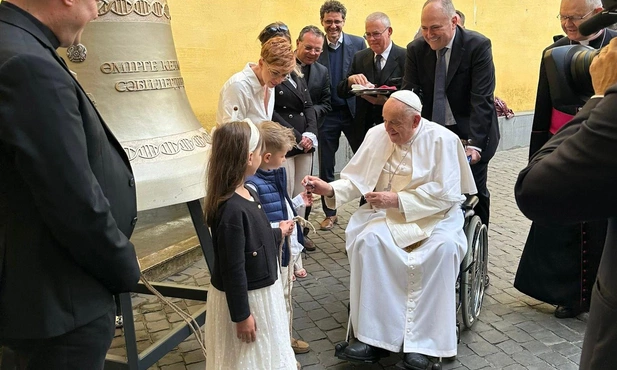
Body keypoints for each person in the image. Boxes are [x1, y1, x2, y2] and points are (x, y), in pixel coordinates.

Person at [0, 0, 141, 368]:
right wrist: (123, 265)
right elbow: (71, 198)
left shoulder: (17, 43)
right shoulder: (26, 64)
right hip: (61, 303)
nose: (96, 13)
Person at [303, 90, 476, 369]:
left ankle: (425, 345)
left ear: (416, 120)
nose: (388, 128)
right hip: (388, 215)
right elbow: (357, 180)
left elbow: (447, 194)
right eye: (385, 120)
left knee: (444, 250)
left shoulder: (443, 140)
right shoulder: (377, 135)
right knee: (370, 241)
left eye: (395, 123)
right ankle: (372, 338)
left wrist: (398, 199)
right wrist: (329, 188)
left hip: (436, 217)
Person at [515, 36, 617, 370]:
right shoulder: (554, 51)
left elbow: (534, 191)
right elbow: (545, 104)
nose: (569, 24)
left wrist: (601, 97)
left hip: (578, 150)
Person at [204, 120, 297, 370]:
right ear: (248, 158)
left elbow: (254, 239)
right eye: (258, 152)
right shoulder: (231, 211)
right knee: (248, 358)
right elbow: (232, 268)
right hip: (248, 300)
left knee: (265, 354)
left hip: (263, 293)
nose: (260, 157)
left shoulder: (249, 193)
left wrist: (277, 233)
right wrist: (241, 315)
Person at [402, 0, 499, 231]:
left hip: (470, 131)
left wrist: (475, 145)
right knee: (433, 188)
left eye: (435, 28)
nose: (428, 34)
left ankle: (480, 239)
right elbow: (410, 94)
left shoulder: (478, 46)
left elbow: (481, 99)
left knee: (473, 189)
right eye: (424, 28)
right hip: (433, 129)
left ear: (454, 21)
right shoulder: (416, 49)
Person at [245, 121, 313, 354]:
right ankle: (279, 345)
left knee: (286, 297)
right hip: (273, 254)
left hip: (284, 251)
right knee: (277, 300)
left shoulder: (274, 176)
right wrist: (281, 229)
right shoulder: (254, 185)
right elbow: (259, 222)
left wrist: (298, 202)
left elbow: (281, 209)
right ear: (267, 157)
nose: (285, 160)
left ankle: (285, 338)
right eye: (283, 156)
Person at [258, 22, 320, 252]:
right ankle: (288, 238)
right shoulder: (269, 73)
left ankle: (301, 233)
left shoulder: (295, 70)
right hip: (286, 142)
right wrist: (296, 136)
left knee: (303, 191)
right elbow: (271, 112)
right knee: (287, 192)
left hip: (306, 143)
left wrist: (311, 133)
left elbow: (308, 105)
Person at [317, 0, 366, 231]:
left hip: (353, 112)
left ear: (344, 22)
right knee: (326, 165)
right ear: (322, 22)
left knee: (365, 160)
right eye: (329, 21)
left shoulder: (358, 43)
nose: (333, 26)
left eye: (337, 21)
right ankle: (330, 212)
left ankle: (367, 209)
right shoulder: (316, 45)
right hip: (328, 114)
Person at [337, 12, 406, 148]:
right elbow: (341, 91)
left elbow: (410, 94)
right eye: (368, 35)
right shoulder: (360, 57)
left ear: (389, 31)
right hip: (364, 131)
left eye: (376, 34)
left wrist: (385, 101)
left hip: (394, 129)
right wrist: (351, 81)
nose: (371, 39)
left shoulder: (405, 56)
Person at [216, 36, 296, 126]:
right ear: (261, 63)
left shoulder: (268, 82)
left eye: (284, 75)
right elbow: (232, 135)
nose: (279, 80)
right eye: (275, 73)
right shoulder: (238, 86)